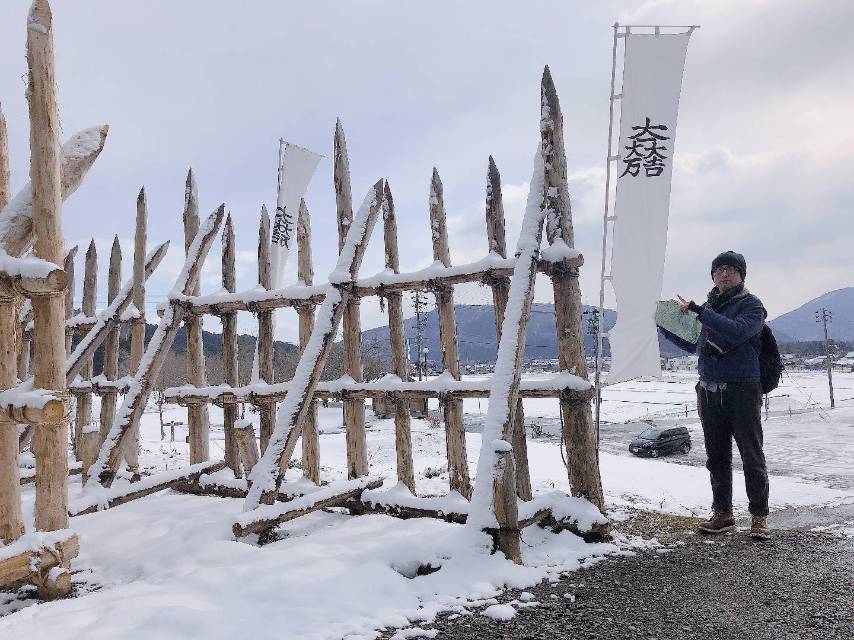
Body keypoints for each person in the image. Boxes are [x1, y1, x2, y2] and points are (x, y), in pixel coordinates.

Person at [662, 250, 770, 540]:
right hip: (708, 390)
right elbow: (692, 344)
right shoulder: (709, 306)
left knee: (751, 453)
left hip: (742, 390)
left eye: (732, 270)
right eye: (720, 269)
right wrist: (661, 323)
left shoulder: (752, 305)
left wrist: (701, 311)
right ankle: (723, 514)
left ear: (741, 275)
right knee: (716, 455)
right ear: (713, 275)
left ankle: (758, 517)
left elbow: (737, 332)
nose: (725, 274)